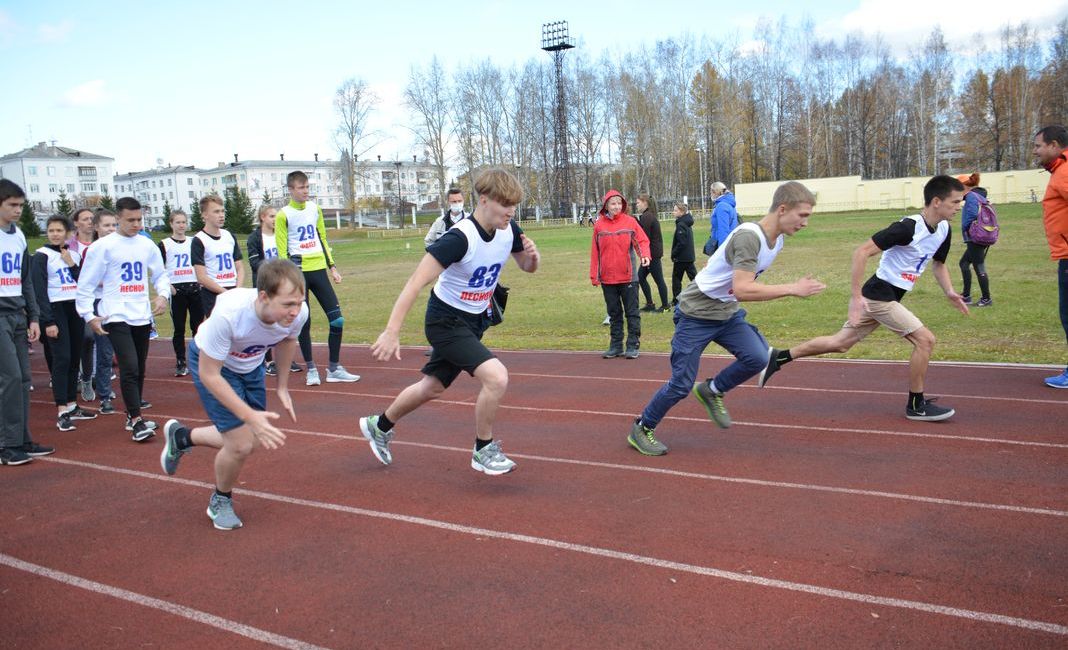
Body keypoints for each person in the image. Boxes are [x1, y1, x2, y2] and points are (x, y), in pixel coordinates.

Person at [360, 168, 540, 475]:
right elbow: (415, 282)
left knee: (432, 387)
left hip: (474, 322)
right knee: (496, 377)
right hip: (445, 321)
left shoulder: (509, 228)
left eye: (514, 205)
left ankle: (379, 425)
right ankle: (483, 449)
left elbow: (526, 266)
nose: (511, 211)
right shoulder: (459, 239)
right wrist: (392, 330)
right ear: (484, 200)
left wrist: (533, 257)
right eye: (505, 204)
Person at [626, 182, 825, 456]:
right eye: (802, 215)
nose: (805, 223)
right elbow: (743, 288)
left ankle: (712, 390)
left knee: (759, 357)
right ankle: (642, 427)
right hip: (696, 314)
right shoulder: (749, 237)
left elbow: (725, 270)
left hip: (726, 312)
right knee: (681, 384)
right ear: (782, 209)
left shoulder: (776, 239)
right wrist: (792, 288)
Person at [760, 175, 970, 421]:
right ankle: (916, 404)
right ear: (936, 201)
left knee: (840, 343)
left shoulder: (943, 229)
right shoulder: (907, 228)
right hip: (879, 297)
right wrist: (856, 296)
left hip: (886, 297)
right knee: (925, 341)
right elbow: (861, 252)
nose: (959, 207)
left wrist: (949, 292)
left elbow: (939, 265)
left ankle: (779, 356)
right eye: (955, 202)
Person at [160, 259, 307, 530]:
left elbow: (287, 340)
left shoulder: (299, 312)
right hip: (216, 366)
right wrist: (248, 414)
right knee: (240, 444)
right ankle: (220, 500)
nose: (295, 311)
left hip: (251, 366)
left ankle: (183, 437)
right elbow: (210, 374)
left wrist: (283, 386)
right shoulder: (230, 313)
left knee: (252, 441)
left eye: (299, 303)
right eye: (288, 304)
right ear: (264, 296)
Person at [77, 197, 171, 442]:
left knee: (139, 367)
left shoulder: (147, 245)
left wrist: (162, 296)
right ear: (118, 218)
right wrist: (89, 315)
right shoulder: (103, 247)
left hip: (142, 314)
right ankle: (137, 420)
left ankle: (132, 416)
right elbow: (85, 284)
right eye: (131, 220)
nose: (137, 224)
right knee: (128, 366)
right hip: (115, 315)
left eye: (140, 219)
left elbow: (160, 275)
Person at [275, 171, 359, 386]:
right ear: (291, 189)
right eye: (301, 188)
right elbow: (281, 249)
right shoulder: (283, 215)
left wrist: (333, 267)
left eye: (307, 188)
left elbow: (322, 237)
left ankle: (334, 368)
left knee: (337, 319)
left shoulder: (315, 210)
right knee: (304, 322)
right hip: (298, 274)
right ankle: (311, 369)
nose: (305, 192)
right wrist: (287, 278)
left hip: (319, 269)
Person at [0, 180, 54, 465]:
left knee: (22, 379)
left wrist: (33, 316)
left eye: (21, 205)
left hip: (17, 315)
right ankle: (6, 444)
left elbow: (25, 281)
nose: (18, 210)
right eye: (12, 205)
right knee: (8, 378)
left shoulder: (19, 236)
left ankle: (21, 438)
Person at [33, 215, 97, 431]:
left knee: (73, 359)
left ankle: (72, 405)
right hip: (55, 309)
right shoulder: (42, 256)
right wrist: (48, 320)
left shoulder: (75, 255)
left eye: (59, 230)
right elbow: (39, 290)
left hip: (74, 309)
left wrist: (71, 264)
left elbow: (84, 283)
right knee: (62, 359)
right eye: (51, 230)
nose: (54, 234)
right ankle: (62, 410)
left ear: (69, 233)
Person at [590, 190, 650, 359]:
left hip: (628, 277)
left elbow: (642, 241)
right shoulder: (599, 225)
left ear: (623, 205)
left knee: (632, 313)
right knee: (614, 313)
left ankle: (633, 345)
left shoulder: (630, 222)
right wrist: (594, 275)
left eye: (619, 203)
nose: (616, 207)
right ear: (606, 206)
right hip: (608, 278)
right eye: (612, 204)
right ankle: (616, 345)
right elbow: (595, 252)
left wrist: (645, 256)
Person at [1033, 125, 1068, 389]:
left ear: (1054, 145)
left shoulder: (1064, 173)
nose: (1035, 151)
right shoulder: (1060, 171)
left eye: (1038, 146)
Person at [248, 204, 300, 377]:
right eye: (271, 216)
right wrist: (274, 268)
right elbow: (255, 264)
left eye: (276, 216)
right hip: (265, 286)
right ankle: (267, 360)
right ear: (262, 217)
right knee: (265, 321)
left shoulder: (281, 235)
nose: (275, 220)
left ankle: (283, 359)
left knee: (283, 321)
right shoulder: (255, 238)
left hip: (283, 286)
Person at [159, 209, 204, 377]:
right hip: (177, 290)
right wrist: (168, 286)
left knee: (198, 327)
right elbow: (159, 268)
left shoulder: (194, 241)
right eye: (177, 222)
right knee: (179, 328)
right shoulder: (165, 244)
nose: (181, 225)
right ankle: (180, 360)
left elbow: (202, 263)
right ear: (171, 223)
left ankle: (198, 358)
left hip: (194, 287)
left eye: (183, 222)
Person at [86, 209, 119, 414]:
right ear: (96, 227)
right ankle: (105, 396)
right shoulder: (93, 250)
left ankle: (135, 396)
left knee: (130, 355)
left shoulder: (122, 248)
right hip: (100, 303)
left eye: (114, 225)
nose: (111, 229)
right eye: (106, 225)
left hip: (121, 304)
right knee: (105, 353)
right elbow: (89, 280)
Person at [192, 195, 243, 318]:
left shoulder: (229, 236)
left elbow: (240, 267)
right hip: (213, 293)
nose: (221, 215)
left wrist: (237, 290)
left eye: (222, 211)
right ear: (204, 215)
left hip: (233, 289)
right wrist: (224, 293)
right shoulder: (199, 240)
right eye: (216, 211)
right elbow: (201, 277)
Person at [68, 208, 97, 402]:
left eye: (91, 219)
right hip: (74, 298)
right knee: (82, 339)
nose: (89, 222)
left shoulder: (100, 243)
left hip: (99, 297)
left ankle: (89, 378)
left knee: (93, 339)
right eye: (85, 219)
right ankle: (81, 377)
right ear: (76, 223)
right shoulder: (69, 246)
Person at [955, 173, 993, 307]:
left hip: (975, 237)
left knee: (978, 266)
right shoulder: (979, 196)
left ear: (964, 186)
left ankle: (986, 298)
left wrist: (965, 228)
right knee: (964, 263)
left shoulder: (971, 196)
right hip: (982, 235)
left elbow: (971, 215)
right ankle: (966, 296)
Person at [636, 193, 670, 313]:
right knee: (640, 277)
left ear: (645, 203)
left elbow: (643, 236)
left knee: (658, 279)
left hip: (652, 254)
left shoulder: (647, 217)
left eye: (638, 202)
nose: (637, 204)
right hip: (651, 253)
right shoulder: (647, 216)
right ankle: (650, 304)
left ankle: (665, 306)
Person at [670, 202, 697, 305]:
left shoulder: (681, 224)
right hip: (689, 256)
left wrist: (674, 253)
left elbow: (682, 242)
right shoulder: (687, 222)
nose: (673, 212)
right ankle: (702, 295)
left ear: (681, 212)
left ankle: (676, 300)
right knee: (695, 279)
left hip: (682, 258)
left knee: (676, 280)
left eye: (676, 210)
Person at [707, 181, 739, 255]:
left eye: (711, 192)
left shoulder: (721, 206)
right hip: (730, 242)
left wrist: (721, 251)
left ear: (714, 192)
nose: (710, 195)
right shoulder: (729, 204)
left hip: (722, 244)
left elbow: (723, 230)